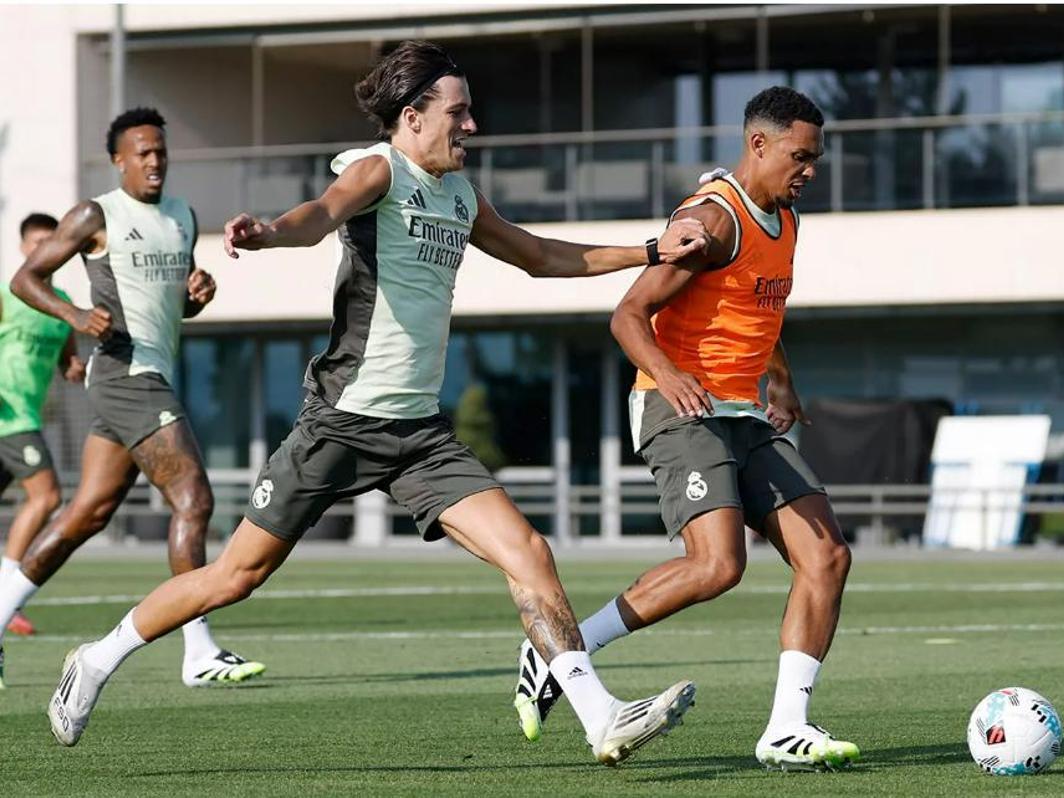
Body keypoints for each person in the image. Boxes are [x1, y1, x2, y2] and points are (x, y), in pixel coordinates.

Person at [47, 41, 708, 765]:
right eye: (459, 113)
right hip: (340, 422)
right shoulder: (379, 170)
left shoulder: (460, 195)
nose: (472, 126)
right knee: (237, 575)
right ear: (413, 116)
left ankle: (599, 716)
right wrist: (268, 234)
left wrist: (652, 250)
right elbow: (319, 213)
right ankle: (100, 656)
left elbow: (540, 255)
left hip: (420, 435)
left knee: (529, 552)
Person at [511, 87, 861, 771]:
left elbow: (761, 307)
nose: (810, 170)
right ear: (758, 144)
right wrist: (670, 378)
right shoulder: (713, 220)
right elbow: (627, 316)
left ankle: (787, 727)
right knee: (717, 565)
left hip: (741, 413)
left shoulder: (786, 219)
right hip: (679, 409)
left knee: (827, 556)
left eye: (815, 158)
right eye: (801, 156)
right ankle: (560, 648)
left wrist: (781, 378)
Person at [4, 108, 264, 690]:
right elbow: (26, 278)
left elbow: (179, 300)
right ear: (119, 159)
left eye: (161, 152)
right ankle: (197, 649)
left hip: (150, 374)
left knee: (84, 516)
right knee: (194, 502)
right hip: (126, 375)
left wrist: (198, 294)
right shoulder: (97, 214)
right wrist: (73, 313)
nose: (154, 161)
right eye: (142, 152)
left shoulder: (182, 217)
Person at [0, 214, 85, 658]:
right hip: (7, 414)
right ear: (22, 248)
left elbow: (66, 360)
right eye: (35, 243)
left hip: (24, 415)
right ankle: (5, 593)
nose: (42, 250)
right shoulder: (6, 295)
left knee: (44, 498)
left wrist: (74, 367)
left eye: (50, 243)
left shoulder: (64, 305)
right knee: (47, 497)